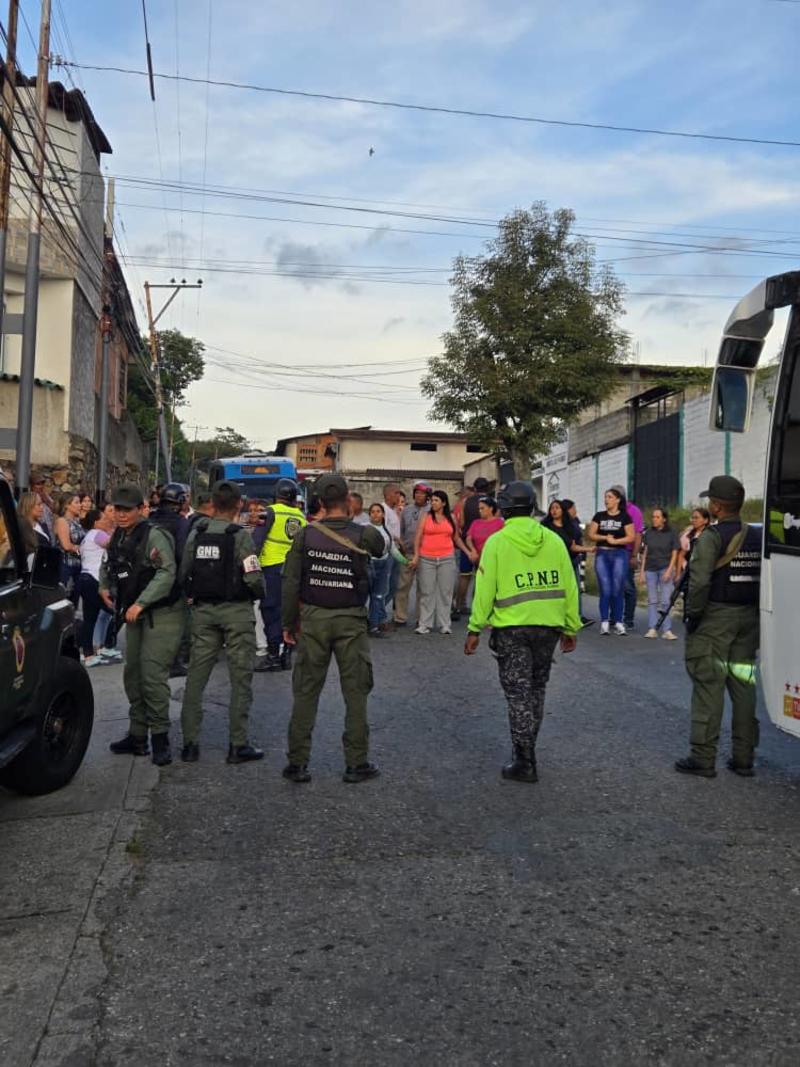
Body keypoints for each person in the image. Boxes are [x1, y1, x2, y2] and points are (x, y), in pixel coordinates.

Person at [465, 481, 579, 782]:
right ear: (531, 508)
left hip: (512, 628)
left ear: (503, 508)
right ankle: (528, 751)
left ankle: (525, 760)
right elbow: (570, 586)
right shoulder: (553, 541)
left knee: (518, 693)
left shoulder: (498, 543)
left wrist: (475, 627)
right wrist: (571, 626)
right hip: (549, 626)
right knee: (536, 688)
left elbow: (484, 589)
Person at [281, 474, 386, 784]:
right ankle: (356, 763)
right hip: (351, 620)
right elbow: (382, 548)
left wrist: (289, 623)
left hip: (313, 620)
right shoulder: (363, 534)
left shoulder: (304, 535)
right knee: (355, 694)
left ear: (321, 503)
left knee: (305, 692)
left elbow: (290, 583)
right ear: (348, 501)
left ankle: (297, 764)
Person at [675, 475, 761, 778]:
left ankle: (702, 757)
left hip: (716, 618)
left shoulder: (712, 537)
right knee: (743, 684)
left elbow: (699, 583)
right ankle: (743, 758)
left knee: (708, 685)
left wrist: (694, 616)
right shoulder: (755, 534)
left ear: (716, 506)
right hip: (749, 618)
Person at [179, 480, 266, 764]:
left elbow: (184, 571)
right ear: (239, 505)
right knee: (240, 678)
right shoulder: (239, 536)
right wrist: (258, 593)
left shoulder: (198, 532)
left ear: (213, 504)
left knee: (196, 677)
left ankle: (190, 744)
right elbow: (253, 575)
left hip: (204, 611)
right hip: (237, 612)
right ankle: (237, 745)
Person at [101, 484, 187, 766]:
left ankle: (160, 738)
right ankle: (137, 736)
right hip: (135, 615)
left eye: (128, 509)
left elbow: (167, 572)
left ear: (142, 509)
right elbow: (109, 563)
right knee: (133, 676)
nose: (122, 514)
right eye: (118, 509)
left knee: (152, 678)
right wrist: (104, 586)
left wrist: (141, 602)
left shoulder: (154, 535)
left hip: (161, 613)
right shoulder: (118, 535)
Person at [254, 477, 307, 671]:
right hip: (294, 570)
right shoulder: (302, 517)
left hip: (272, 568)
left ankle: (274, 655)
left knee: (271, 610)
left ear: (276, 495)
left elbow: (257, 541)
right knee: (289, 612)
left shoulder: (270, 512)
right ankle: (286, 653)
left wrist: (250, 569)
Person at [412, 489, 474, 635]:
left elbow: (457, 538)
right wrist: (416, 555)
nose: (433, 503)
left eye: (436, 501)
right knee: (427, 591)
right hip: (427, 558)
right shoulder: (425, 516)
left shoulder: (451, 517)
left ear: (444, 503)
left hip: (446, 557)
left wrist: (468, 551)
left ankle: (444, 623)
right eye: (432, 500)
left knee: (445, 591)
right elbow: (418, 537)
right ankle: (424, 623)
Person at [588, 489, 635, 635]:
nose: (606, 500)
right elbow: (591, 534)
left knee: (617, 588)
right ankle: (604, 622)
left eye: (610, 497)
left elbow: (631, 537)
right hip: (602, 553)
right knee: (606, 589)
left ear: (617, 500)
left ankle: (618, 622)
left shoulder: (625, 517)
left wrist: (616, 541)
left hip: (619, 554)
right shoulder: (599, 516)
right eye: (605, 497)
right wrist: (604, 538)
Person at [76, 508, 115, 667]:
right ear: (96, 522)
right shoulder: (98, 534)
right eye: (104, 519)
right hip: (93, 579)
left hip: (85, 578)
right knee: (113, 610)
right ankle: (96, 649)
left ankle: (89, 653)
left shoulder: (87, 537)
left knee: (90, 618)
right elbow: (114, 545)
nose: (107, 521)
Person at [639, 507, 680, 640]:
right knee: (652, 600)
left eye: (657, 517)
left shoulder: (672, 533)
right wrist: (642, 571)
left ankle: (666, 629)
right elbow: (645, 552)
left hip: (665, 567)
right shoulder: (648, 533)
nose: (654, 519)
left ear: (664, 519)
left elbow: (675, 552)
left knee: (666, 600)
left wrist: (669, 570)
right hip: (650, 568)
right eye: (653, 517)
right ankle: (652, 628)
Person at [393, 482, 431, 626]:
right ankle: (400, 617)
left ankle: (421, 618)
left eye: (422, 493)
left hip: (425, 554)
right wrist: (401, 545)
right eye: (416, 492)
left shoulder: (431, 510)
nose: (418, 495)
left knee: (423, 588)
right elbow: (401, 530)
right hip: (407, 553)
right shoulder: (407, 510)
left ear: (427, 495)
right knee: (402, 586)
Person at [453, 477, 490, 619]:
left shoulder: (465, 501)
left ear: (474, 489)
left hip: (467, 542)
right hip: (485, 543)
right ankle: (478, 606)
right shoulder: (491, 503)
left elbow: (461, 522)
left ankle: (459, 605)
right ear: (487, 489)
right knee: (482, 575)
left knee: (464, 575)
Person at [612, 485, 643, 630]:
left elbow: (637, 535)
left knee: (627, 587)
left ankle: (628, 618)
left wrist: (634, 555)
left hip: (626, 553)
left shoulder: (634, 511)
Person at [366, 502, 392, 636]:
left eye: (378, 511)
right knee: (364, 595)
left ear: (383, 514)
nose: (376, 514)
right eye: (373, 512)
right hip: (369, 564)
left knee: (377, 597)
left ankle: (374, 626)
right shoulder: (365, 529)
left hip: (383, 564)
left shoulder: (386, 530)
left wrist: (407, 562)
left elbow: (391, 549)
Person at [53, 492, 85, 602]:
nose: (80, 505)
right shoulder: (62, 521)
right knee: (65, 599)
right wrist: (84, 549)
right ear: (67, 505)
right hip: (66, 567)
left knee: (74, 601)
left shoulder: (76, 522)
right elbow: (66, 545)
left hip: (78, 566)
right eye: (76, 502)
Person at [382, 483, 403, 625]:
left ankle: (380, 612)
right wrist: (396, 539)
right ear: (388, 494)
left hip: (395, 552)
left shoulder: (394, 511)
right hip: (387, 552)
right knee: (385, 586)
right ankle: (378, 617)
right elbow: (383, 529)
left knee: (393, 585)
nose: (399, 496)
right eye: (396, 493)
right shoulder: (383, 509)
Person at [465, 496, 504, 561]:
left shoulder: (500, 523)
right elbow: (468, 538)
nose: (480, 511)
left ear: (491, 508)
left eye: (482, 508)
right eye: (479, 509)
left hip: (496, 558)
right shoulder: (476, 523)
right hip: (479, 560)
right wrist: (473, 549)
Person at [678, 506, 711, 572]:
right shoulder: (687, 535)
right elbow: (681, 555)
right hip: (690, 572)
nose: (693, 520)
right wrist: (679, 572)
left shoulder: (711, 535)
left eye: (696, 518)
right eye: (692, 518)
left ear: (706, 520)